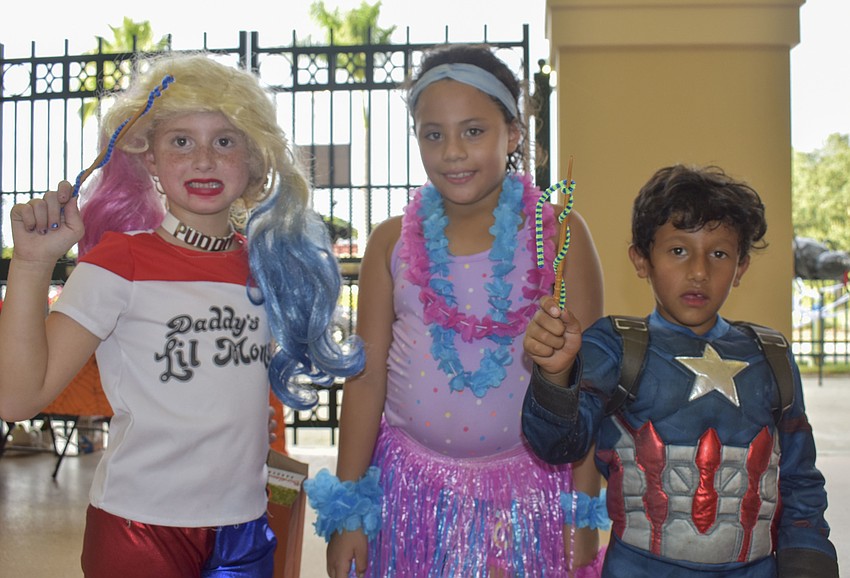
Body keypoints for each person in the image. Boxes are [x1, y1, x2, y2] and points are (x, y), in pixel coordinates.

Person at [0, 52, 362, 578]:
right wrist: (32, 263)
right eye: (181, 141)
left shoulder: (269, 268)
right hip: (137, 526)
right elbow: (15, 398)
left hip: (246, 526)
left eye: (224, 140)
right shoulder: (119, 261)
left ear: (254, 158)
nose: (204, 160)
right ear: (149, 159)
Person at [304, 44, 608, 577]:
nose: (452, 152)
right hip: (411, 493)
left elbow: (586, 388)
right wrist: (350, 511)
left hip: (528, 494)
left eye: (473, 131)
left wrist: (581, 516)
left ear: (512, 134)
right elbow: (367, 378)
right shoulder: (390, 241)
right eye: (433, 134)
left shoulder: (556, 234)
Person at [521, 164, 839, 577]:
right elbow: (556, 446)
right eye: (678, 250)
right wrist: (555, 377)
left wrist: (809, 564)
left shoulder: (771, 355)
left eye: (719, 254)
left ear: (741, 266)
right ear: (641, 260)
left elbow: (800, 481)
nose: (699, 271)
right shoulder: (614, 347)